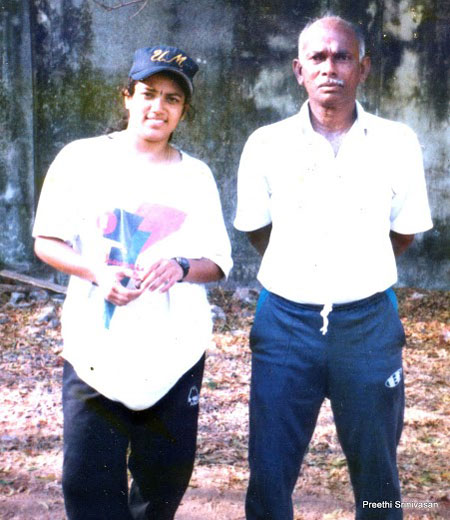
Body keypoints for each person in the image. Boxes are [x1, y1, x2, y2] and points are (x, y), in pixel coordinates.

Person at [234, 15, 433, 520]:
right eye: (318, 58)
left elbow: (403, 231)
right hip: (285, 324)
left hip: (368, 324)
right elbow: (259, 230)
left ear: (363, 68)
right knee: (270, 472)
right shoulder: (266, 143)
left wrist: (355, 270)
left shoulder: (397, 142)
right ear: (299, 70)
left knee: (378, 473)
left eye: (342, 57)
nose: (330, 68)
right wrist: (304, 270)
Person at [33, 45, 232, 520]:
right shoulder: (80, 159)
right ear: (126, 96)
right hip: (94, 351)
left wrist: (181, 268)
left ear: (183, 110)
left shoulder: (196, 176)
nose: (157, 107)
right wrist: (96, 272)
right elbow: (47, 240)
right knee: (87, 484)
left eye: (172, 99)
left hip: (174, 354)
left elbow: (219, 262)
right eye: (148, 93)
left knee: (162, 486)